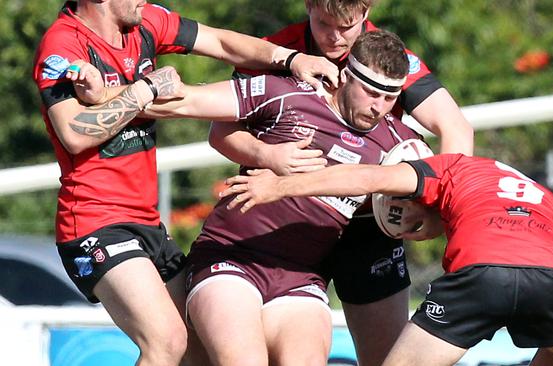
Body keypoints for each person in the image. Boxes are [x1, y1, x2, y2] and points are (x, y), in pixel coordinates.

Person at [31, 1, 338, 365]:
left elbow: (222, 43)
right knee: (167, 341)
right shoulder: (63, 44)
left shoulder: (144, 22)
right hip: (96, 221)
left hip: (147, 223)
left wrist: (290, 59)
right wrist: (146, 88)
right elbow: (74, 133)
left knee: (201, 350)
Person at [210, 2, 474, 364]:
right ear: (308, 6)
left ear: (366, 12)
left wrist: (438, 212)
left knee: (389, 360)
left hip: (367, 228)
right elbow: (222, 128)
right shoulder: (275, 50)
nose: (334, 38)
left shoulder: (387, 60)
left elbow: (456, 127)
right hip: (282, 224)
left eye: (347, 27)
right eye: (323, 24)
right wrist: (266, 155)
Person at [137, 29, 422, 366]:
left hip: (301, 277)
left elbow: (437, 205)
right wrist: (266, 154)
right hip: (232, 256)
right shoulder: (288, 94)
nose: (378, 107)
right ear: (346, 76)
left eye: (389, 98)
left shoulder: (398, 145)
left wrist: (412, 218)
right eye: (370, 92)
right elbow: (188, 102)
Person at [221, 154, 553, 366]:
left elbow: (365, 179)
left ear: (419, 196)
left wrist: (279, 186)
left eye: (411, 223)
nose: (412, 233)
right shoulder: (547, 201)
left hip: (481, 274)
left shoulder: (449, 168)